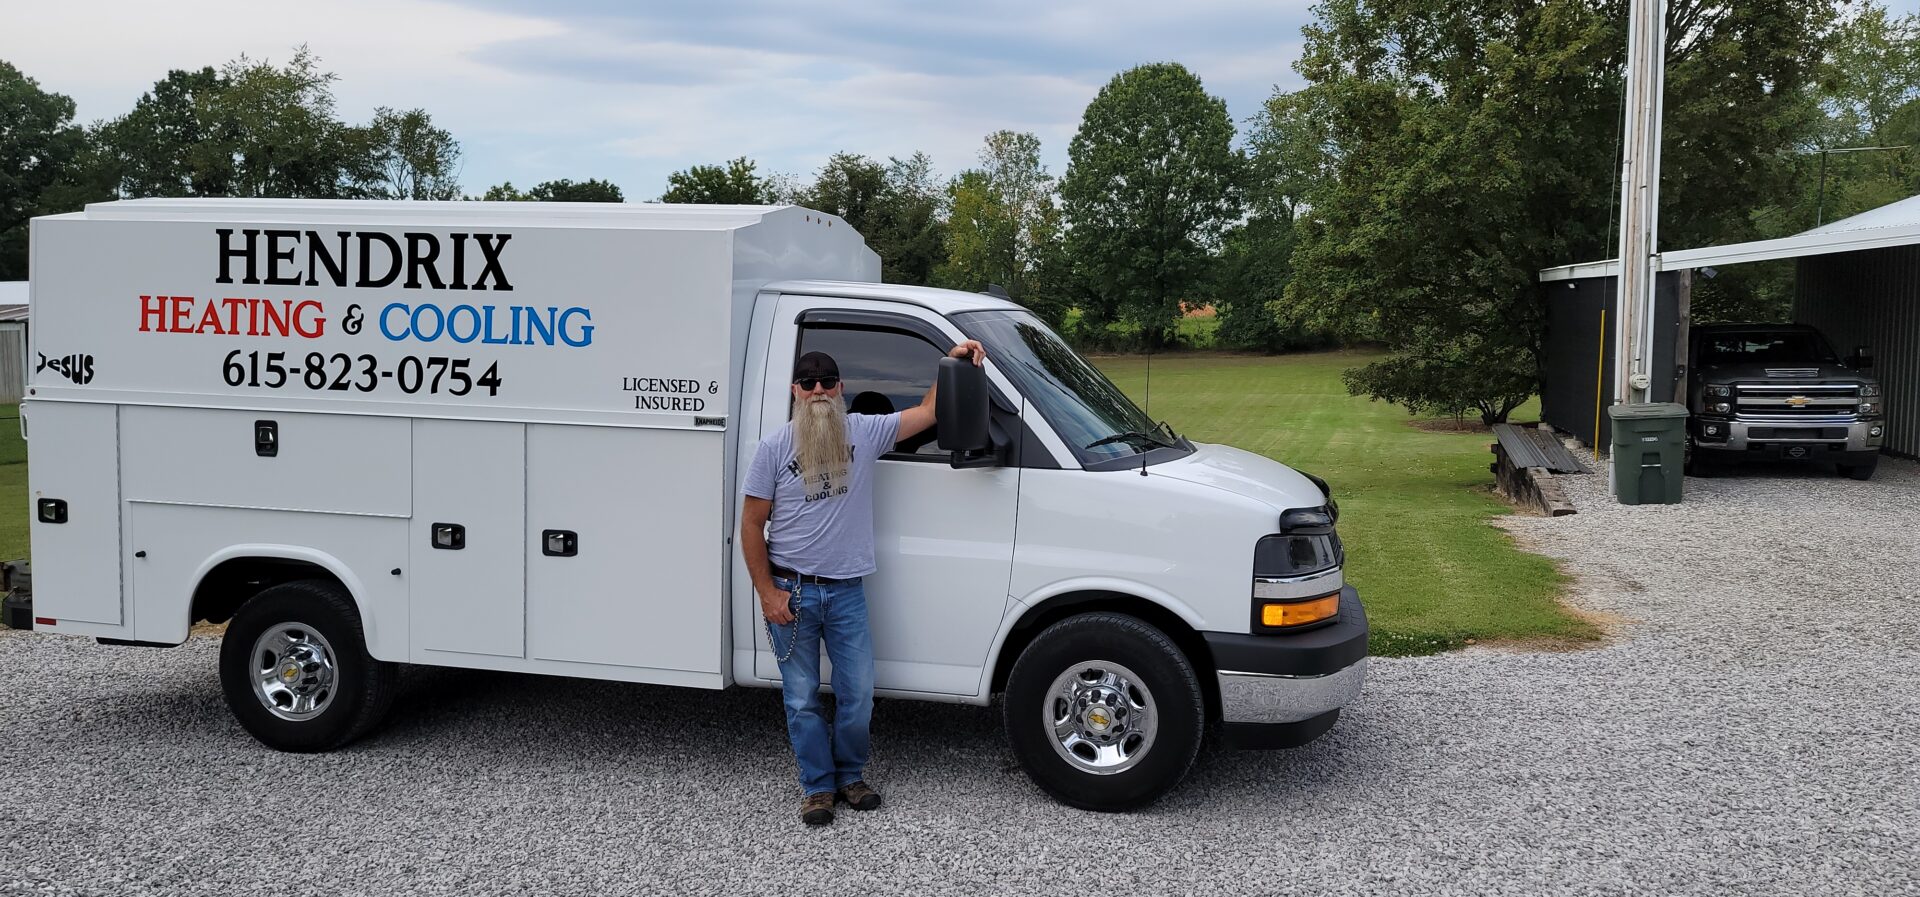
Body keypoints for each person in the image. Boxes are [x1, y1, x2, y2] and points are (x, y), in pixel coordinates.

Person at [739, 340, 986, 826]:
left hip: (846, 591)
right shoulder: (773, 447)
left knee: (858, 694)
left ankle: (850, 776)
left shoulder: (866, 432)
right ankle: (817, 787)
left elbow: (929, 411)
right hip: (793, 591)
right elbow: (750, 525)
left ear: (840, 388)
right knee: (801, 697)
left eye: (826, 383)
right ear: (795, 391)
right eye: (807, 384)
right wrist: (767, 593)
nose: (817, 391)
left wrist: (952, 360)